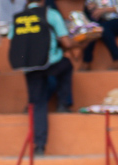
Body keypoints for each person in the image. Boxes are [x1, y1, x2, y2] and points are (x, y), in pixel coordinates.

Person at [8, 0, 73, 156]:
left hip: (29, 66)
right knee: (67, 65)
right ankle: (64, 103)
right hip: (50, 62)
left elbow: (12, 41)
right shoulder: (50, 14)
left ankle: (39, 146)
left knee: (38, 104)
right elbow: (66, 42)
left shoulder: (17, 17)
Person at [81, 0, 118, 70]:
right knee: (93, 29)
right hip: (104, 21)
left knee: (103, 29)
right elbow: (89, 4)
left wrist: (104, 10)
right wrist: (92, 6)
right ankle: (86, 61)